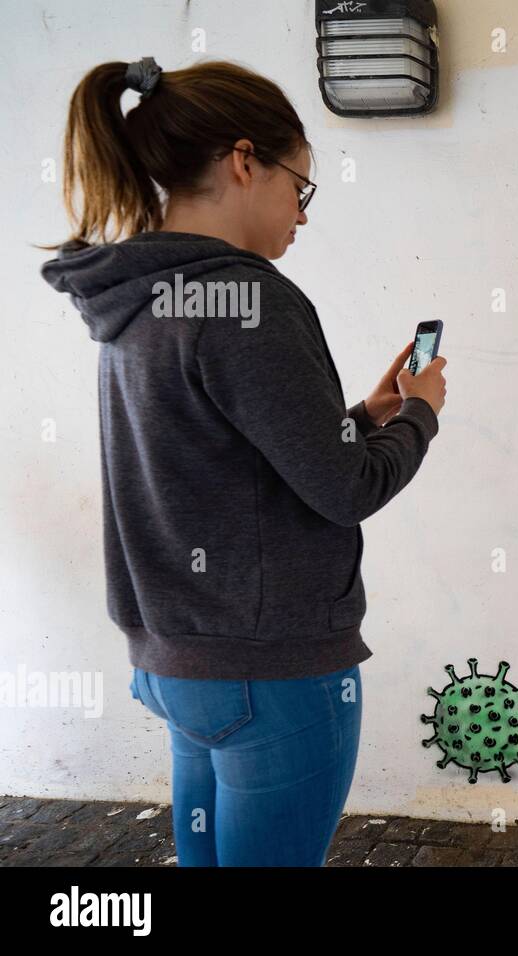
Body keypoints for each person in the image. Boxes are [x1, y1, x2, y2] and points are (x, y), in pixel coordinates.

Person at [38, 58, 448, 865]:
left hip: (178, 665)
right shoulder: (249, 298)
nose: (303, 214)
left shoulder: (141, 296)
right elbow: (348, 488)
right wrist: (424, 414)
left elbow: (222, 454)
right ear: (244, 160)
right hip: (272, 675)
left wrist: (365, 416)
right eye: (301, 186)